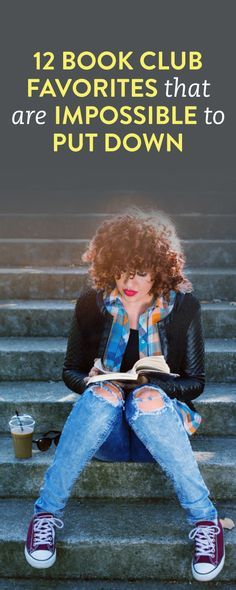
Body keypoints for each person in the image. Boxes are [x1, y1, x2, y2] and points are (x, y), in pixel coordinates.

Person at [25, 208, 224, 582]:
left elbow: (195, 382)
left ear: (160, 270)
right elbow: (70, 370)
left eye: (141, 271)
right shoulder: (93, 303)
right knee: (106, 396)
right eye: (121, 269)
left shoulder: (183, 308)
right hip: (107, 434)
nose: (129, 281)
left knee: (145, 397)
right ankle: (46, 514)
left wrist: (155, 383)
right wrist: (92, 380)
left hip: (158, 431)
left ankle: (205, 521)